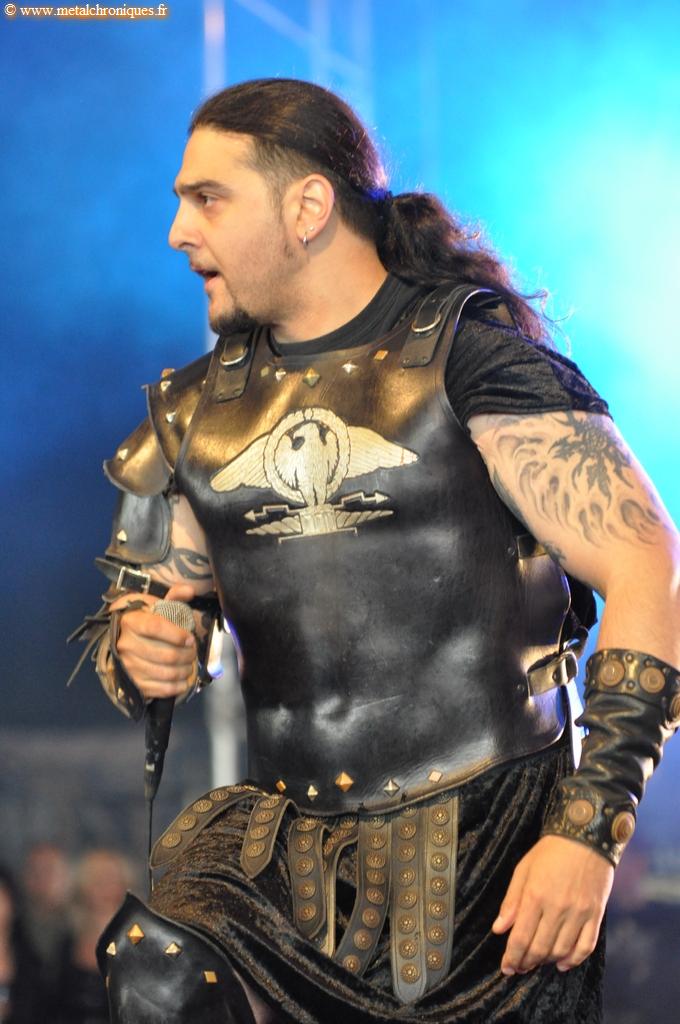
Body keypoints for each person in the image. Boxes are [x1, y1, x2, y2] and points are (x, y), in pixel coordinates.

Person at [71, 78, 680, 1023]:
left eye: (208, 199)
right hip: (285, 857)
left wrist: (589, 829)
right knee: (159, 983)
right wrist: (145, 647)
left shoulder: (470, 360)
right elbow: (145, 613)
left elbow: (648, 568)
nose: (178, 232)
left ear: (308, 206)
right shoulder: (195, 414)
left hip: (491, 855)